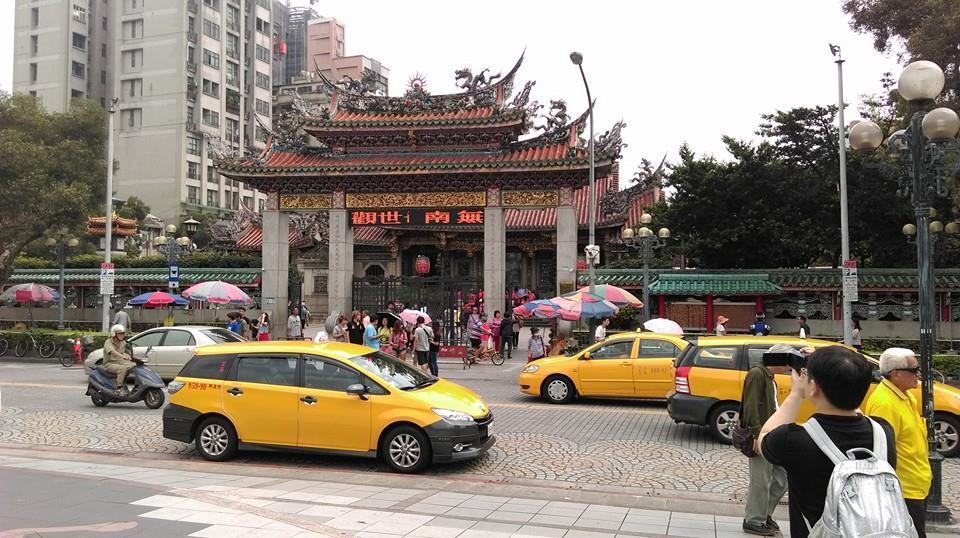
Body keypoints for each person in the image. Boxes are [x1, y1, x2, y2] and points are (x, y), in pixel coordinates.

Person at [759, 347, 897, 538]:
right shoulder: (883, 432)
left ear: (813, 387)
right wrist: (839, 370)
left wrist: (796, 394)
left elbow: (764, 435)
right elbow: (850, 403)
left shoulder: (795, 440)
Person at [865, 348, 931, 537]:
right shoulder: (884, 403)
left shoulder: (906, 396)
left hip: (917, 485)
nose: (919, 374)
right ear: (895, 374)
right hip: (902, 491)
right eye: (914, 370)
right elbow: (881, 452)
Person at [740, 345, 791, 535]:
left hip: (772, 435)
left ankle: (763, 514)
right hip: (761, 436)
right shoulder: (757, 374)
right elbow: (750, 405)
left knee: (782, 478)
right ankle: (754, 520)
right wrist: (756, 433)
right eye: (786, 361)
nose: (788, 366)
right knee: (760, 480)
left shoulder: (769, 377)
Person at [101, 324, 135, 396]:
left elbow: (128, 352)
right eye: (120, 334)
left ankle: (132, 385)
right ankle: (118, 389)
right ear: (114, 334)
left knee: (134, 366)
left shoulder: (123, 342)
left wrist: (131, 354)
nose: (122, 335)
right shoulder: (108, 342)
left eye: (123, 333)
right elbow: (112, 351)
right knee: (123, 368)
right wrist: (122, 356)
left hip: (119, 362)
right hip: (109, 364)